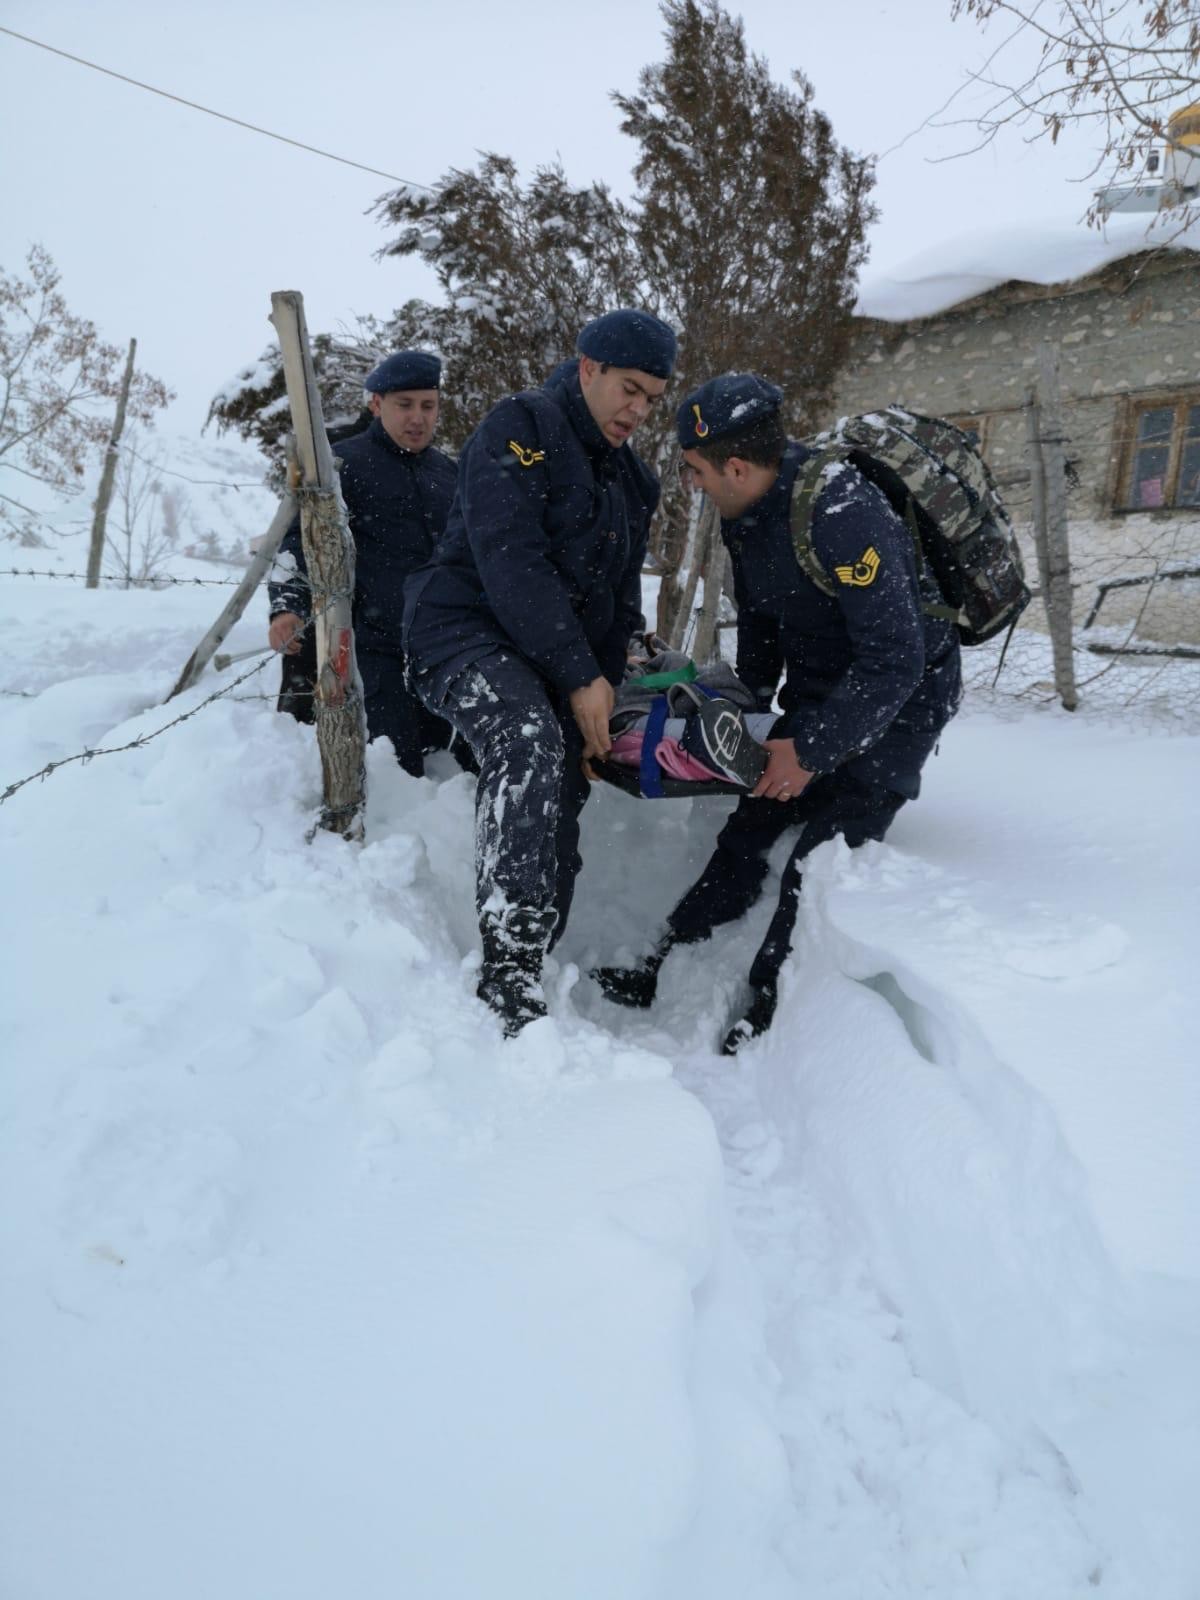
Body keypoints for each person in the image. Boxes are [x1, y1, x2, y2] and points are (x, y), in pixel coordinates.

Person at [593, 373, 963, 1054]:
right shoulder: (750, 511)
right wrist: (745, 717)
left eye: (697, 471)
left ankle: (770, 1014)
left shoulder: (843, 514)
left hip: (899, 705)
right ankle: (665, 958)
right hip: (825, 689)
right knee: (753, 822)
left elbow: (896, 660)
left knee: (816, 862)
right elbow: (763, 621)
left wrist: (812, 750)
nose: (693, 484)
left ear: (736, 466)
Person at [403, 309, 676, 1035]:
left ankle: (541, 946)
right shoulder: (520, 428)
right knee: (526, 736)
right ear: (588, 368)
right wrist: (580, 677)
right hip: (461, 630)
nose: (638, 409)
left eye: (652, 397)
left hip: (556, 656)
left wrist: (604, 686)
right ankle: (511, 967)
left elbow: (622, 600)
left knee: (562, 784)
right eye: (629, 388)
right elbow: (510, 561)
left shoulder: (634, 481)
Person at [267, 349, 464, 777]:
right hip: (369, 651)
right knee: (392, 769)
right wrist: (287, 607)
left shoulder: (449, 473)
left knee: (438, 767)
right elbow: (300, 542)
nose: (418, 418)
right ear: (377, 405)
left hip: (436, 650)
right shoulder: (342, 463)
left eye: (427, 406)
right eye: (404, 405)